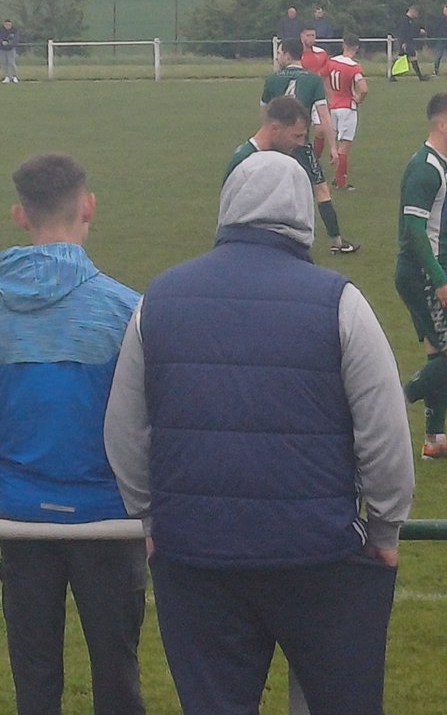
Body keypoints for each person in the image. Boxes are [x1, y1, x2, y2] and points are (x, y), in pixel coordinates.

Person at [104, 152, 414, 715]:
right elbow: (384, 430)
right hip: (317, 556)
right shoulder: (339, 301)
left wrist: (149, 517)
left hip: (195, 557)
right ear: (303, 217)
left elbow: (125, 432)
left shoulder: (159, 300)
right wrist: (386, 528)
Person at [0, 154, 146, 715]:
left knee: (34, 681)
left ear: (20, 214)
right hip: (106, 520)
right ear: (88, 206)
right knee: (117, 674)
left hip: (18, 519)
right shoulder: (126, 311)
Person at [396, 93, 447, 459]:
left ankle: (435, 441)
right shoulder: (425, 168)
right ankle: (390, 406)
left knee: (439, 355)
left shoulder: (441, 163)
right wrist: (441, 279)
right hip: (426, 275)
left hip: (437, 272)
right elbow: (413, 231)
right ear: (441, 125)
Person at [227, 95, 360, 254]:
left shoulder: (280, 160)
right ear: (275, 128)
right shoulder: (245, 162)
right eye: (297, 136)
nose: (301, 143)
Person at [261, 38, 339, 170]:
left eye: (279, 54)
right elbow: (324, 115)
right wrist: (333, 147)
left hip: (277, 145)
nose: (277, 58)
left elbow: (265, 115)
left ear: (287, 55)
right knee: (316, 186)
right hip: (301, 143)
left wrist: (264, 142)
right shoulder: (314, 80)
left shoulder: (272, 80)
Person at [326, 34, 368, 190]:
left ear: (343, 45)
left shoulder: (332, 62)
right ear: (356, 48)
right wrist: (358, 99)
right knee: (344, 145)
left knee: (335, 144)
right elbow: (364, 89)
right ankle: (341, 181)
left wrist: (331, 96)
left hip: (333, 107)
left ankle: (336, 176)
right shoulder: (353, 66)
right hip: (347, 107)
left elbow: (324, 79)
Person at [299, 22, 332, 157]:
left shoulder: (321, 54)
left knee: (320, 130)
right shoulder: (296, 54)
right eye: (308, 35)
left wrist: (331, 96)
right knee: (300, 131)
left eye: (313, 35)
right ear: (301, 36)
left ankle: (314, 160)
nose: (311, 38)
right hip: (301, 98)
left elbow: (325, 77)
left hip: (317, 97)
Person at [392, 4, 428, 81]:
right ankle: (392, 75)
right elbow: (402, 33)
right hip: (405, 42)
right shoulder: (404, 20)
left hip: (408, 42)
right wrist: (403, 43)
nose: (417, 15)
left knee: (410, 58)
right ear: (412, 11)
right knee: (405, 59)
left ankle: (420, 76)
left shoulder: (410, 21)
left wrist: (419, 31)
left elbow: (412, 31)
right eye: (416, 13)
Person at [0, 18, 19, 83]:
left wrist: (9, 43)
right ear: (4, 24)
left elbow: (16, 39)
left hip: (11, 49)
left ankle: (14, 76)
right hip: (2, 49)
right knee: (4, 63)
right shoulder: (1, 30)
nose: (7, 26)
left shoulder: (14, 30)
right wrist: (2, 42)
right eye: (6, 25)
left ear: (11, 25)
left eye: (9, 25)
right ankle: (7, 76)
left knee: (11, 63)